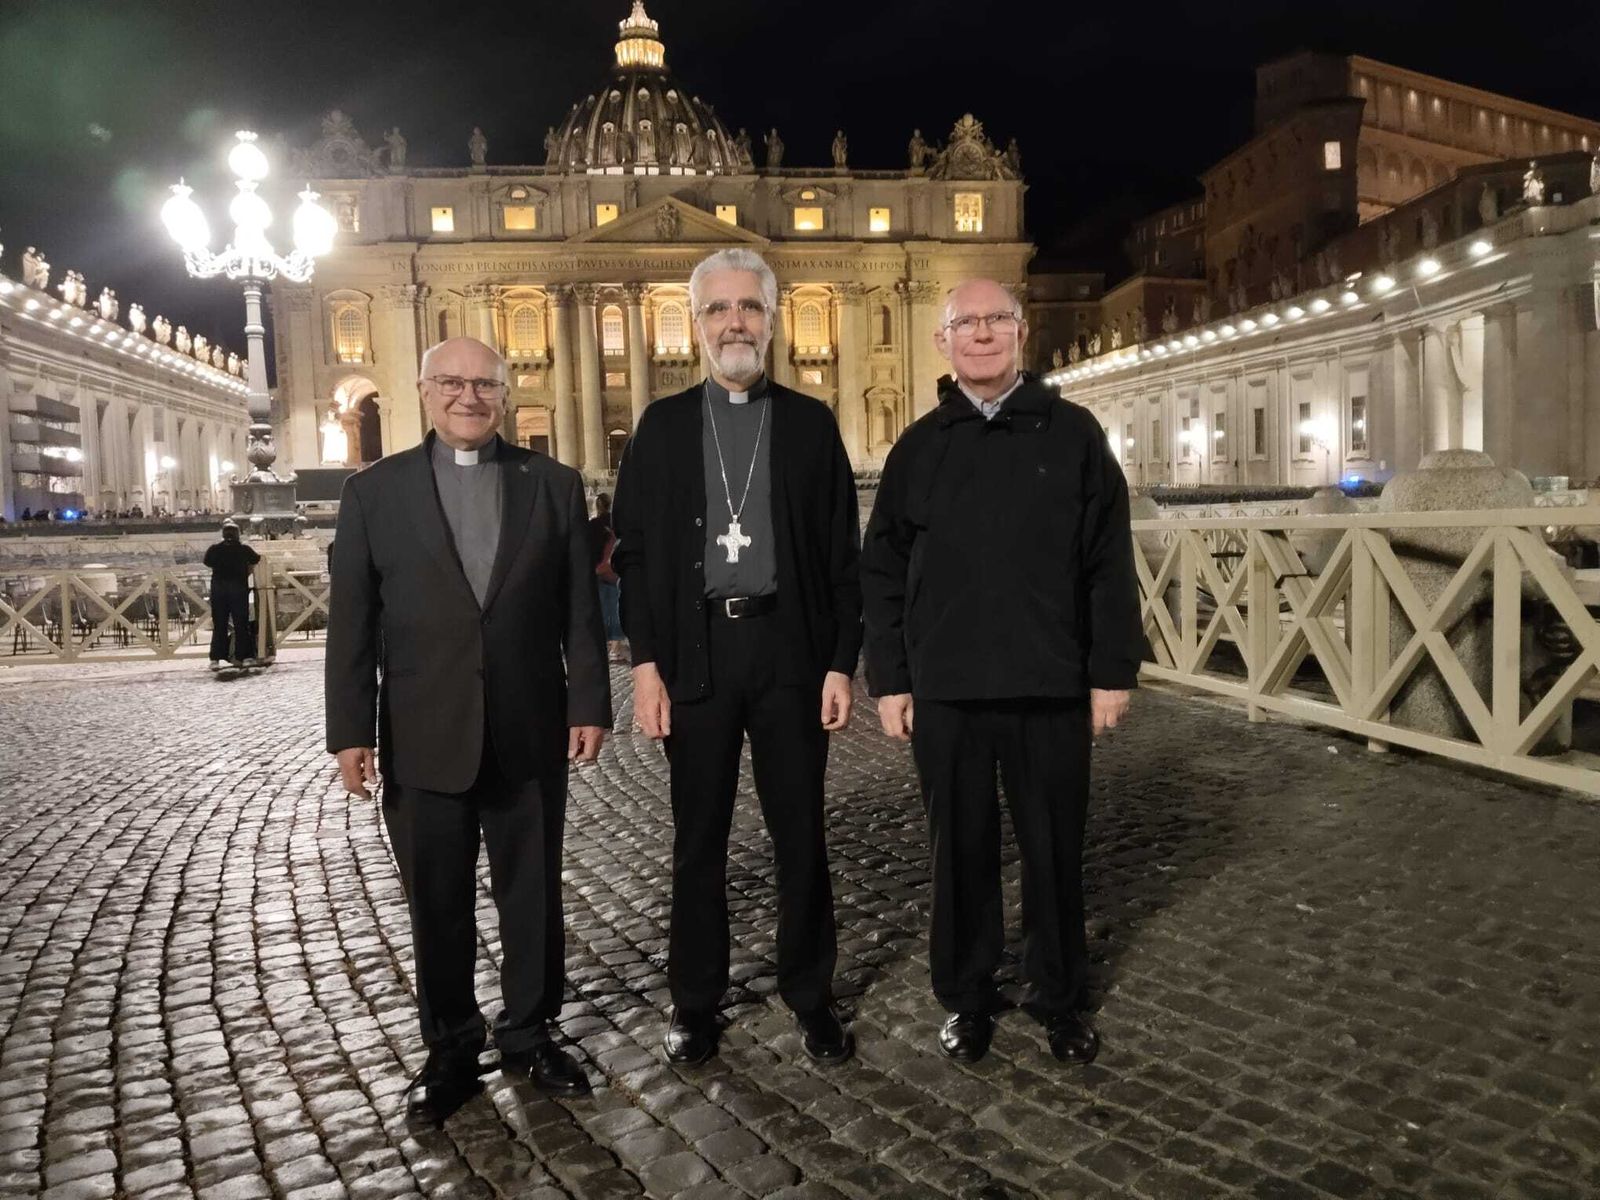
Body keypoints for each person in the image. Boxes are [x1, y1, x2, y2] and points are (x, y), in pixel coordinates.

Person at [325, 335, 611, 1119]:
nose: (468, 397)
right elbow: (351, 623)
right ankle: (451, 1047)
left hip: (530, 727)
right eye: (451, 383)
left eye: (484, 384)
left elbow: (578, 613)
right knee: (437, 905)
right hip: (423, 733)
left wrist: (588, 702)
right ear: (422, 391)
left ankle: (530, 1031)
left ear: (506, 394)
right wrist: (350, 731)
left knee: (534, 896)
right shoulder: (373, 492)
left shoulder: (553, 484)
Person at [860, 278, 1144, 1066]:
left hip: (1051, 683)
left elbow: (1107, 562)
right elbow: (880, 572)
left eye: (996, 320)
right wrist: (891, 679)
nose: (981, 334)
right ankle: (968, 995)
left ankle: (1059, 995)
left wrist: (1111, 670)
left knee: (1055, 848)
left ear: (1023, 332)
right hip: (947, 689)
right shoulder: (917, 445)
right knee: (960, 852)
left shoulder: (1075, 433)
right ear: (942, 342)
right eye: (965, 323)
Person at [612, 248, 861, 1067]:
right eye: (718, 309)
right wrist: (646, 664)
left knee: (801, 836)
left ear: (772, 317)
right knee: (698, 840)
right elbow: (638, 554)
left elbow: (839, 555)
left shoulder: (810, 423)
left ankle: (810, 993)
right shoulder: (662, 426)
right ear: (696, 323)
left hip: (789, 650)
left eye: (748, 308)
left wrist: (839, 661)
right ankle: (694, 999)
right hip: (697, 656)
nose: (734, 323)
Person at [203, 519, 260, 668]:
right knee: (241, 625)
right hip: (238, 591)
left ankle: (215, 658)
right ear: (238, 535)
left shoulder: (214, 549)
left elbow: (207, 562)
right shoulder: (243, 549)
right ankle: (245, 656)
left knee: (219, 625)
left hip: (219, 592)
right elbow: (256, 559)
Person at [588, 492, 626, 662]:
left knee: (601, 609)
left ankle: (603, 646)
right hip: (611, 570)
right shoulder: (614, 523)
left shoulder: (592, 524)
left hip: (596, 571)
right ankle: (616, 648)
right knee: (614, 609)